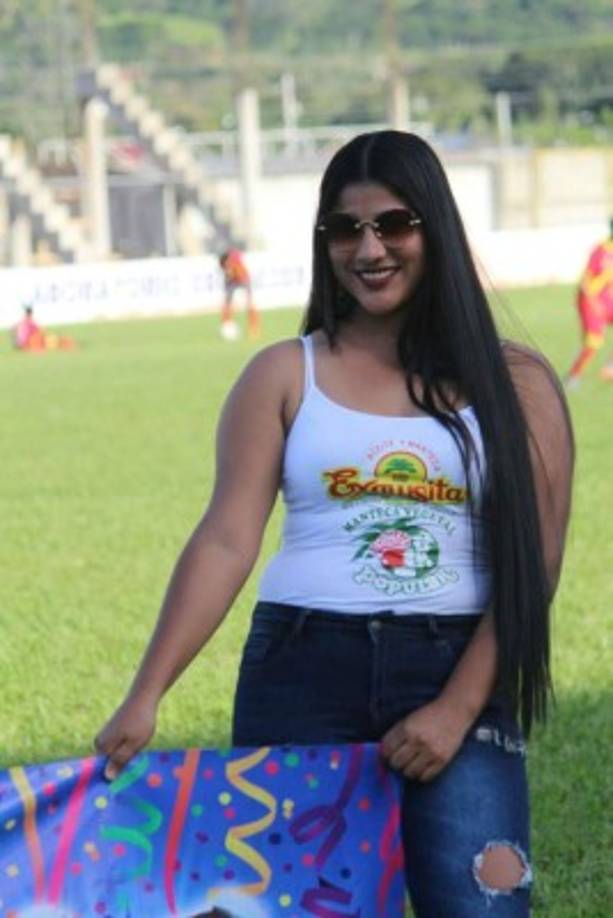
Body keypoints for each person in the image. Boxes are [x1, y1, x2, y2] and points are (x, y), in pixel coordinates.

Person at [96, 131, 574, 916]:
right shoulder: (284, 373)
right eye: (345, 229)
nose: (369, 248)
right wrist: (146, 693)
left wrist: (455, 709)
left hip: (455, 667)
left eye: (393, 224)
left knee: (483, 904)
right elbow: (224, 539)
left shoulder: (515, 381)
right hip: (299, 669)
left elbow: (538, 562)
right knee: (290, 907)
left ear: (436, 230)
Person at [564, 218, 613, 386]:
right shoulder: (600, 251)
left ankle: (610, 367)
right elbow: (585, 283)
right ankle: (573, 376)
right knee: (594, 341)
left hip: (607, 300)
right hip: (590, 300)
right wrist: (594, 304)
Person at [218, 248, 260, 340]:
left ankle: (254, 329)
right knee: (227, 304)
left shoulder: (240, 268)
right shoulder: (223, 264)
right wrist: (229, 275)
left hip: (243, 279)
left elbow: (241, 276)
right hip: (231, 281)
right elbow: (226, 273)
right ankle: (226, 324)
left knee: (250, 303)